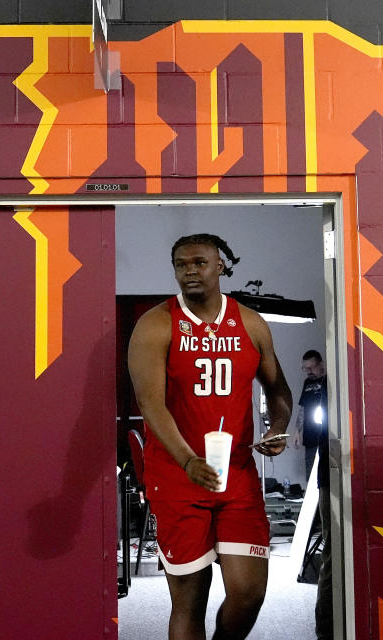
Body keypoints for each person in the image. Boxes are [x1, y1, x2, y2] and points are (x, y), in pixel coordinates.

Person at [128, 233, 293, 640]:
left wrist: (277, 428)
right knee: (189, 601)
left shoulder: (250, 322)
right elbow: (150, 404)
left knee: (249, 594)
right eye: (181, 265)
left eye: (199, 262)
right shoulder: (156, 324)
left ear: (220, 265)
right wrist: (187, 460)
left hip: (236, 476)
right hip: (177, 477)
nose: (190, 271)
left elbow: (279, 391)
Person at [291, 350, 328, 481]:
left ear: (321, 364)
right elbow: (303, 407)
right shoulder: (307, 383)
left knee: (325, 476)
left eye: (311, 368)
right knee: (311, 475)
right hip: (310, 437)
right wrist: (297, 431)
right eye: (305, 368)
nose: (308, 371)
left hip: (326, 437)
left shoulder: (328, 381)